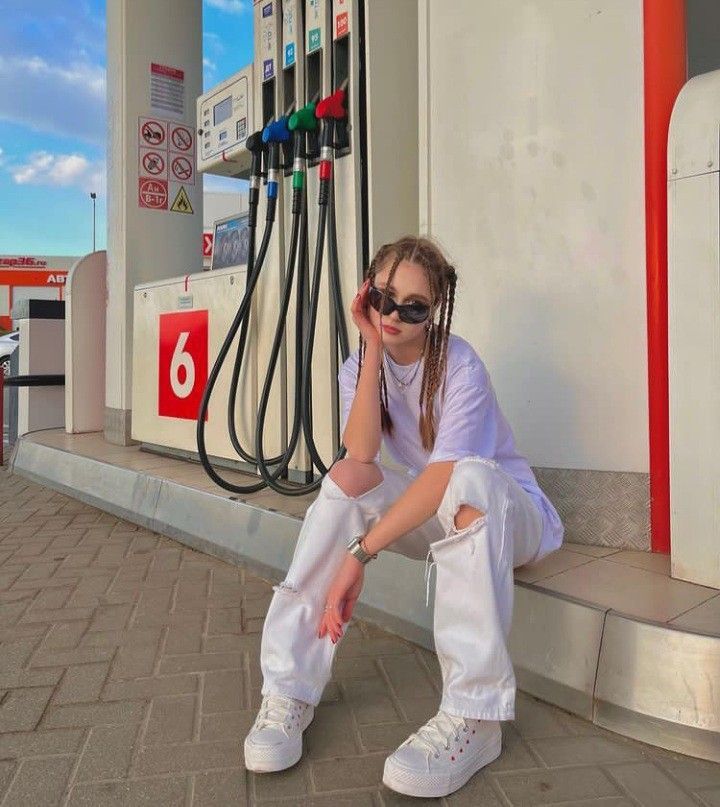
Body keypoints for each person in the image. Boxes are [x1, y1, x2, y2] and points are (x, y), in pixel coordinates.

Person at [244, 236, 563, 798]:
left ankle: (476, 714)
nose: (394, 314)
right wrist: (369, 350)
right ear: (367, 293)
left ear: (433, 311)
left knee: (467, 478)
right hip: (447, 511)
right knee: (345, 478)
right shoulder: (359, 363)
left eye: (413, 306)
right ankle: (289, 689)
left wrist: (362, 554)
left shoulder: (459, 363)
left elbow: (442, 479)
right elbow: (362, 452)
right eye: (384, 297)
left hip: (512, 517)